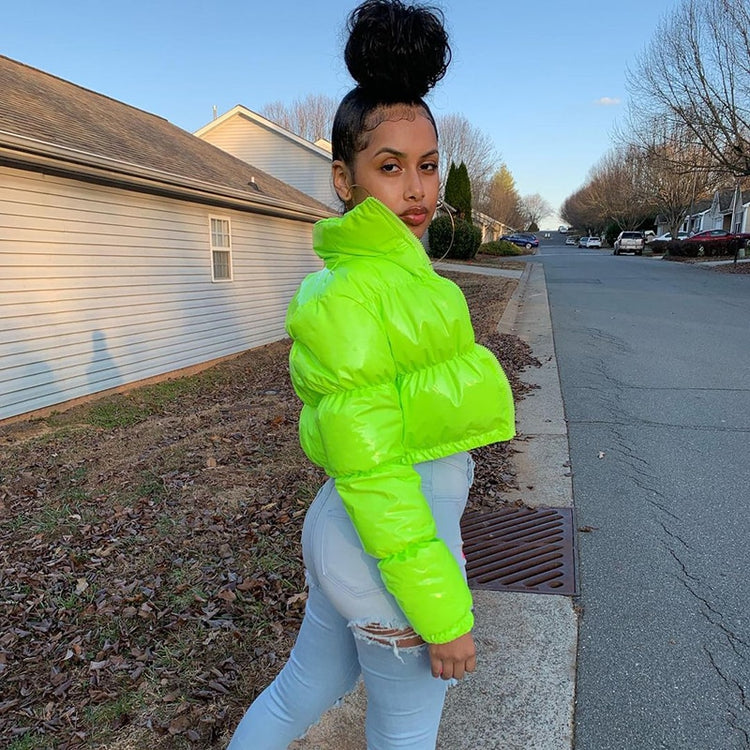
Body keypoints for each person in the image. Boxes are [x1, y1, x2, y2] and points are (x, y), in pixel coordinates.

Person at [227, 1, 515, 748]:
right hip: (381, 545)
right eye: (390, 167)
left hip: (367, 537)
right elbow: (377, 471)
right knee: (405, 733)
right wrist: (442, 615)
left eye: (428, 165)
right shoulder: (349, 295)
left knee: (301, 693)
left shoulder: (401, 278)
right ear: (344, 179)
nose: (417, 190)